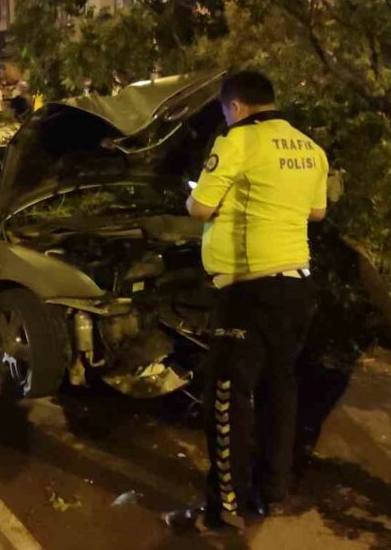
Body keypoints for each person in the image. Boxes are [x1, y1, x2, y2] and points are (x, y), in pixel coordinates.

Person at [166, 71, 329, 533]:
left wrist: (201, 197)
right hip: (295, 286)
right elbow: (317, 212)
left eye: (225, 112)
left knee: (228, 396)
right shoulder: (309, 148)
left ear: (235, 107)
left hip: (246, 289)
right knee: (280, 389)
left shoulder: (236, 141)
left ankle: (225, 506)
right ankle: (272, 492)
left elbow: (199, 208)